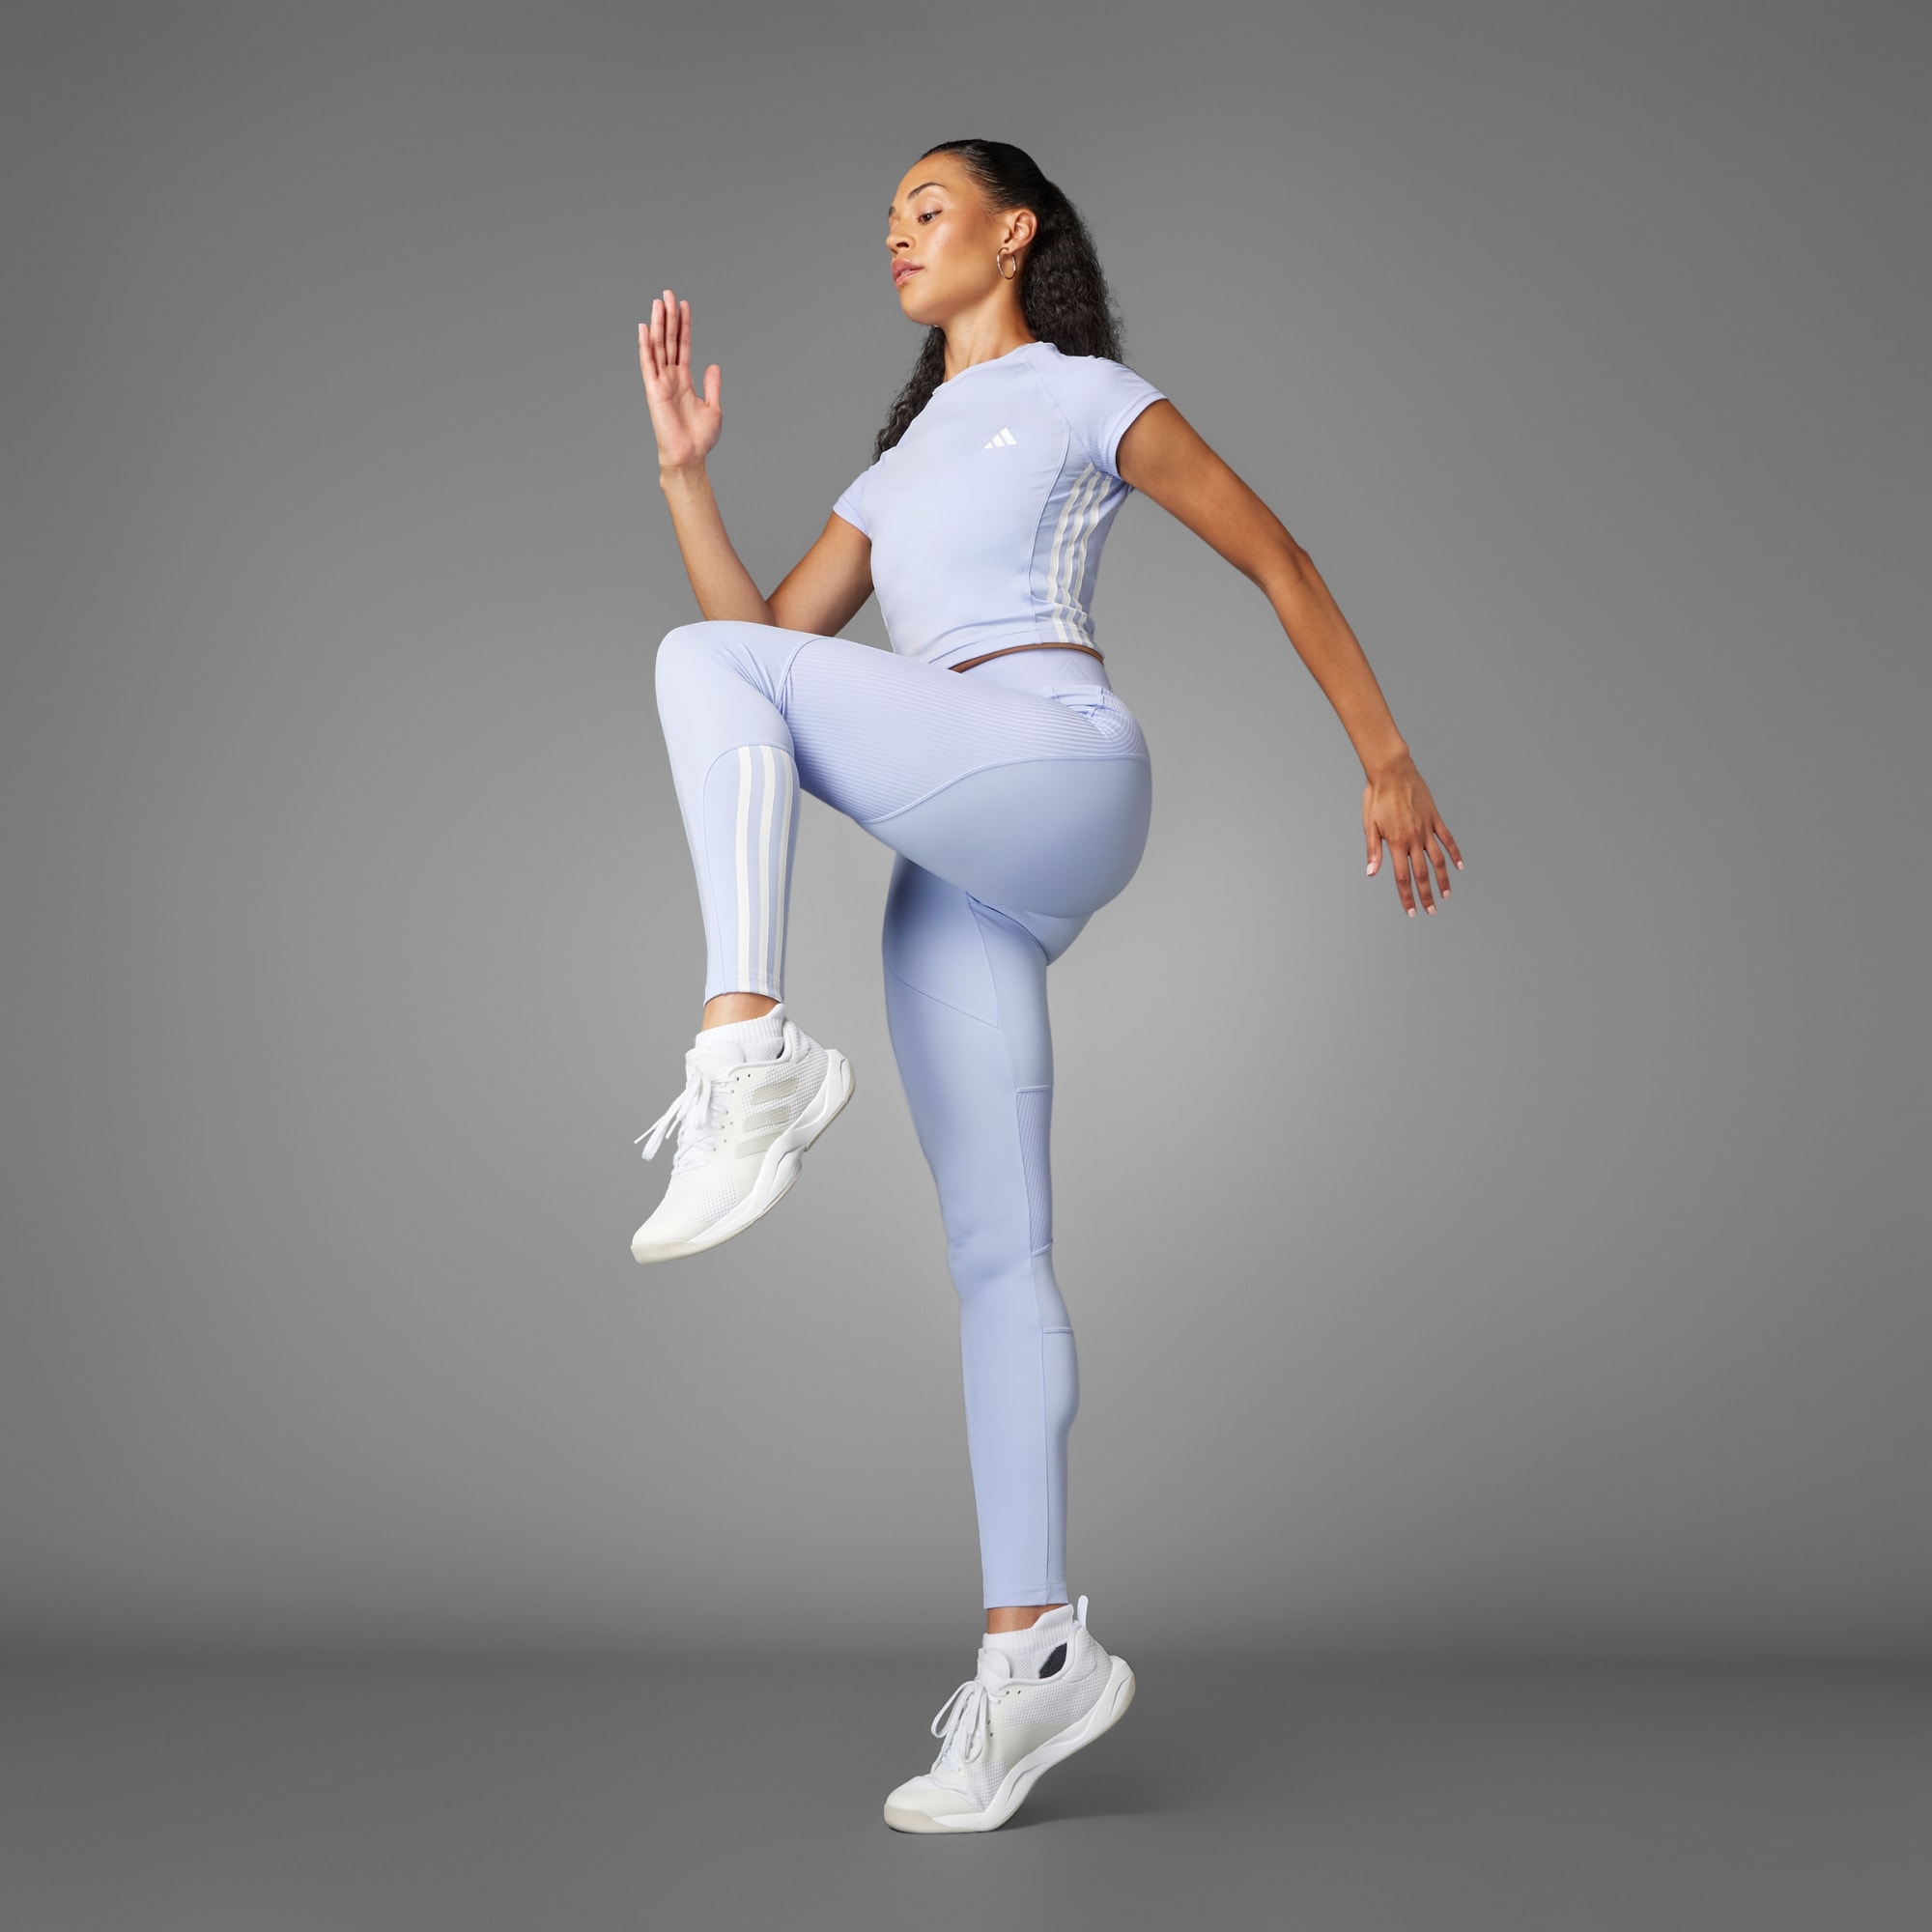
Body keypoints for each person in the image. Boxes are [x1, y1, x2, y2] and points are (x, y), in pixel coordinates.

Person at [632, 137, 1463, 1833]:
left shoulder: (1086, 396)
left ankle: (749, 1049)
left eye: (926, 210)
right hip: (963, 860)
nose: (896, 236)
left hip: (1059, 760)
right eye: (885, 220)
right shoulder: (900, 461)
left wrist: (1384, 755)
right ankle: (1036, 1664)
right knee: (997, 1259)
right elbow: (771, 645)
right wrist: (685, 481)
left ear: (1015, 233)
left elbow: (1277, 554)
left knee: (697, 668)